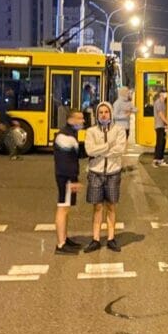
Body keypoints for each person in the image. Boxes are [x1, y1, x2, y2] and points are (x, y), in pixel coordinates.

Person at [83, 102, 127, 253]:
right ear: (97, 115)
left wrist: (99, 150)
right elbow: (89, 150)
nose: (103, 115)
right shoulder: (91, 131)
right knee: (97, 207)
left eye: (106, 112)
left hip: (113, 173)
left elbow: (120, 150)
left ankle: (111, 238)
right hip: (95, 172)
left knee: (111, 206)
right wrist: (108, 146)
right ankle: (95, 239)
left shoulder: (119, 130)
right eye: (100, 112)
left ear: (111, 113)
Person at [53, 109, 87, 255]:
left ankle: (64, 239)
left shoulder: (68, 134)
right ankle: (61, 244)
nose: (83, 121)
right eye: (80, 118)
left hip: (64, 176)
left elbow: (76, 154)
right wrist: (73, 180)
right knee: (63, 208)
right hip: (65, 177)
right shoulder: (65, 136)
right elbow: (67, 161)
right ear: (71, 119)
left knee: (65, 207)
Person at [152, 90, 168, 167]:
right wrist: (167, 123)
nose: (166, 94)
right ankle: (156, 160)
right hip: (159, 125)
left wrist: (165, 125)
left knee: (162, 143)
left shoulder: (163, 103)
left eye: (166, 93)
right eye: (165, 93)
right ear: (161, 94)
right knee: (159, 143)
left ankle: (160, 160)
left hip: (162, 126)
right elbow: (161, 114)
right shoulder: (158, 102)